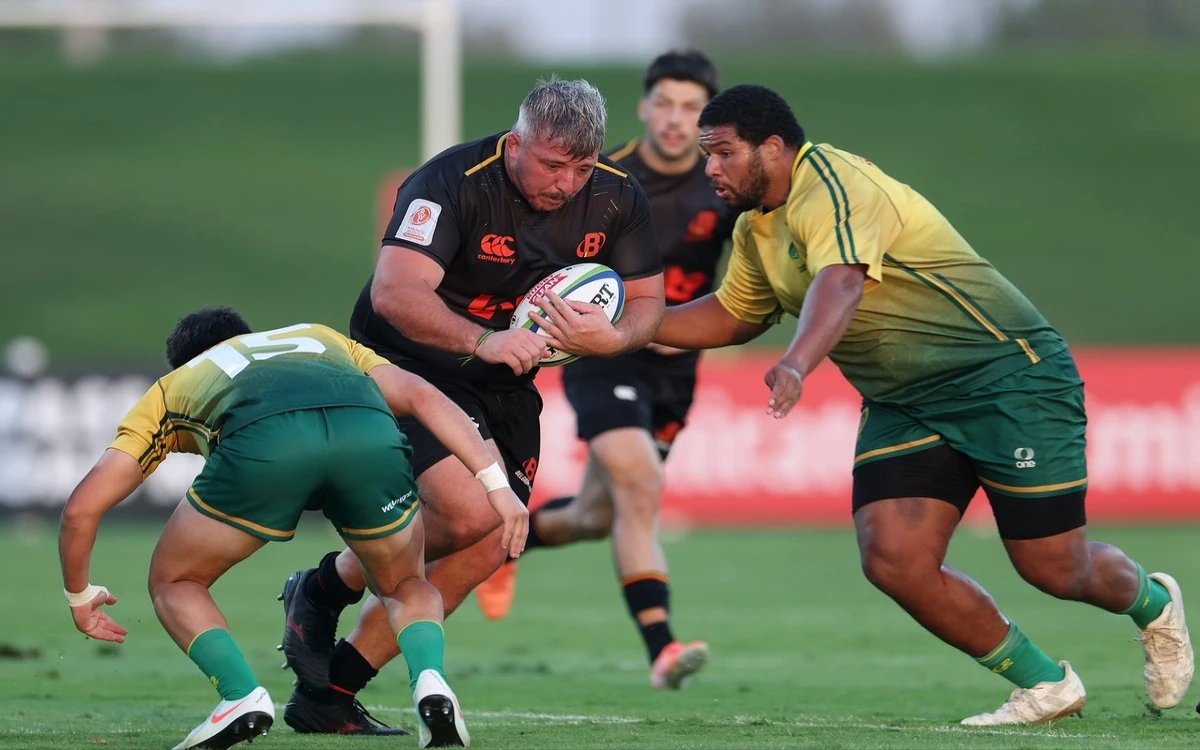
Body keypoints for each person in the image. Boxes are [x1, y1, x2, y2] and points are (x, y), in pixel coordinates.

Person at [653, 83, 1193, 724]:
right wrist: (625, 330)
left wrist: (797, 362)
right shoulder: (754, 230)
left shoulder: (834, 182)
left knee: (1053, 567)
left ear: (772, 147)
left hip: (1006, 377)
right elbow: (732, 315)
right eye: (707, 156)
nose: (708, 168)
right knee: (892, 558)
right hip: (905, 403)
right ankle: (1045, 684)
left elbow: (842, 278)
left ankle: (1152, 601)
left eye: (722, 153)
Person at [276, 77, 666, 731]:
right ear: (517, 144)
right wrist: (483, 341)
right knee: (465, 511)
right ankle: (323, 588)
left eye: (581, 167)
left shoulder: (617, 198)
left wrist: (616, 336)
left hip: (506, 384)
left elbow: (649, 305)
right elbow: (394, 293)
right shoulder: (452, 181)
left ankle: (330, 690)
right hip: (405, 365)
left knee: (497, 540)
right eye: (552, 164)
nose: (566, 182)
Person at [58, 306, 529, 749]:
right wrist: (495, 485)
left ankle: (240, 694)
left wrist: (80, 598)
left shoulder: (175, 385)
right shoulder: (317, 336)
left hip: (265, 448)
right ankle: (430, 680)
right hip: (368, 435)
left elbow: (81, 509)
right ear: (248, 336)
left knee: (175, 580)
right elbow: (423, 396)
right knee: (405, 582)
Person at [474, 50, 735, 691]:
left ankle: (506, 540)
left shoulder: (723, 186)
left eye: (691, 108)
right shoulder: (601, 177)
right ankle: (663, 647)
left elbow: (758, 272)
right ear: (645, 107)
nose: (676, 120)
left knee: (598, 516)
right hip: (601, 355)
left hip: (677, 369)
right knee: (641, 485)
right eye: (665, 104)